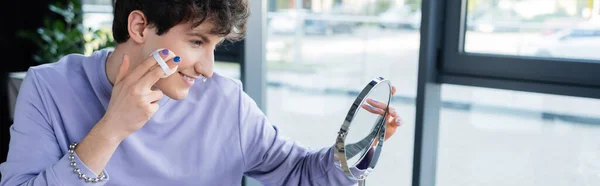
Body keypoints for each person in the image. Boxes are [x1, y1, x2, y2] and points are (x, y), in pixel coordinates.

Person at [0, 0, 404, 185]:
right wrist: (110, 131)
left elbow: (300, 174)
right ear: (140, 27)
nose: (208, 69)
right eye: (196, 43)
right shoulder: (49, 87)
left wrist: (358, 149)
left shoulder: (225, 103)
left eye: (215, 47)